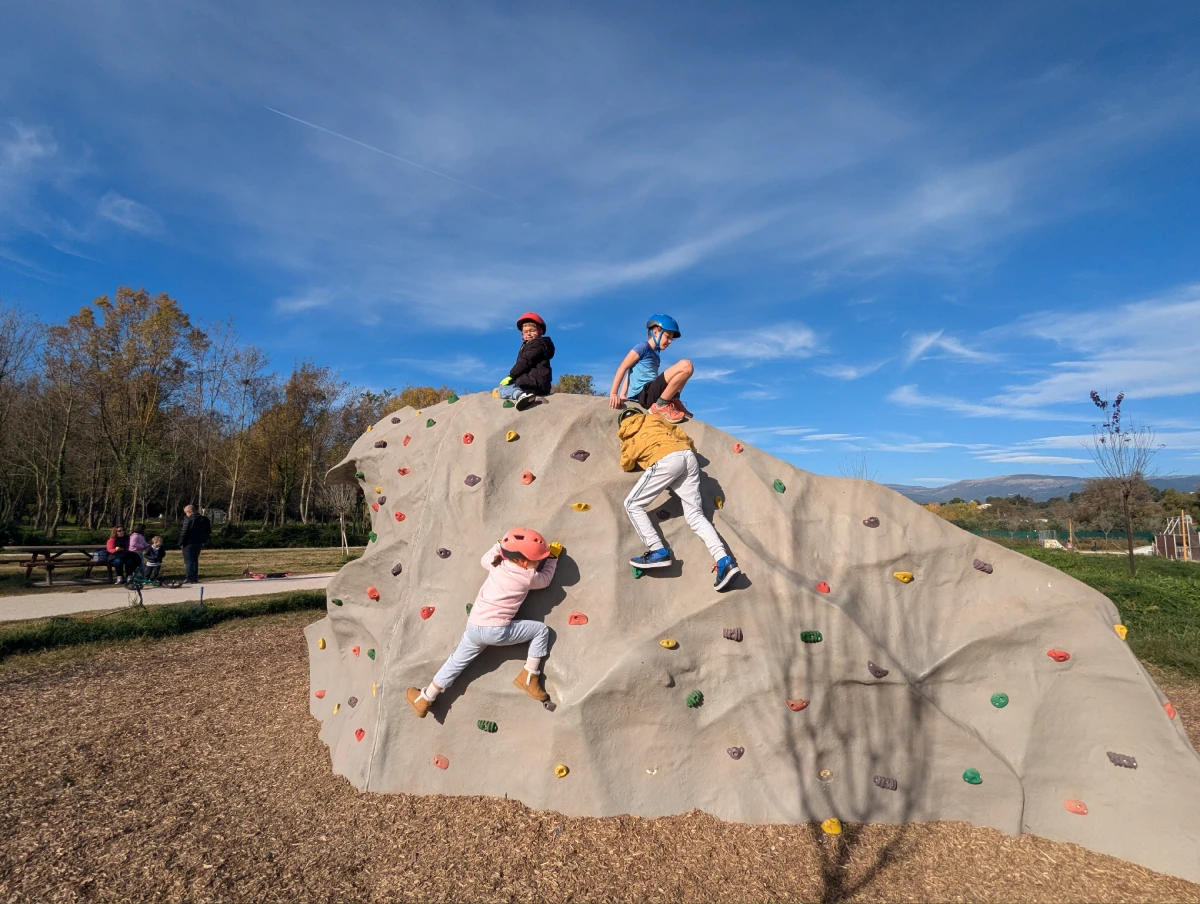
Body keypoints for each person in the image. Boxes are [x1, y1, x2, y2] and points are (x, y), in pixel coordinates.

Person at [407, 528, 559, 717]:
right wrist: (552, 559)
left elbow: (484, 559)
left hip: (474, 627)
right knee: (541, 631)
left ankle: (425, 698)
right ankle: (530, 674)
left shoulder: (496, 565)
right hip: (497, 630)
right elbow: (545, 580)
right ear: (524, 562)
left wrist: (499, 546)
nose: (539, 563)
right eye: (537, 560)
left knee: (455, 662)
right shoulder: (527, 577)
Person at [617, 408, 741, 591]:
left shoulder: (628, 435)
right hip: (687, 457)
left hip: (664, 461)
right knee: (696, 517)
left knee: (632, 504)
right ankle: (724, 561)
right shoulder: (654, 418)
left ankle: (658, 550)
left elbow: (626, 464)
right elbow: (681, 435)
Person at [608, 314, 694, 424]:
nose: (670, 341)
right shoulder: (643, 347)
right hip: (644, 394)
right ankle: (660, 405)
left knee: (679, 376)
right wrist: (614, 394)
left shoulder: (656, 356)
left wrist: (623, 395)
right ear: (655, 332)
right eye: (668, 337)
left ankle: (674, 400)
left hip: (651, 393)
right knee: (686, 366)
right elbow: (623, 367)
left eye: (672, 339)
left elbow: (632, 371)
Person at [497, 312, 554, 411]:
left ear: (540, 332)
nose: (528, 334)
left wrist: (512, 375)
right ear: (522, 335)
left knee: (502, 390)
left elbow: (525, 361)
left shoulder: (536, 345)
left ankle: (521, 395)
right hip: (540, 383)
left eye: (532, 331)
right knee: (508, 386)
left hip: (532, 382)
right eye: (525, 332)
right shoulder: (536, 346)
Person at [179, 505, 212, 585]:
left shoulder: (189, 519)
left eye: (185, 513)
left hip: (188, 542)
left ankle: (189, 578)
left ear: (189, 512)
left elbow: (184, 532)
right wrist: (204, 539)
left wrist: (180, 542)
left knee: (188, 561)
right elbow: (208, 531)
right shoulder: (205, 519)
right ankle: (194, 577)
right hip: (199, 542)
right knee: (195, 560)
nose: (185, 514)